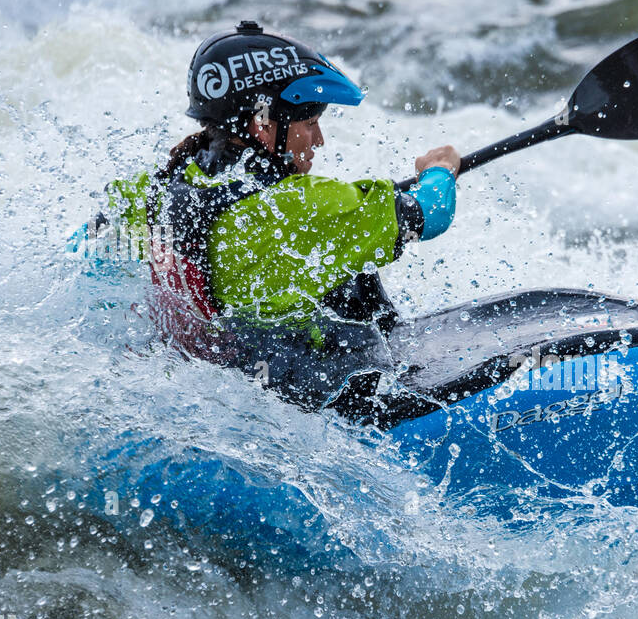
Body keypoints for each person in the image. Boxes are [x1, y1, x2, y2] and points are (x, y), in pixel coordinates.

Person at [103, 20, 459, 410]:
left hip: (229, 389)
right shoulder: (297, 206)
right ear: (262, 122)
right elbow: (432, 213)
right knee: (353, 281)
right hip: (320, 402)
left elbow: (91, 242)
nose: (319, 139)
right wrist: (439, 169)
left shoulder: (158, 189)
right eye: (310, 123)